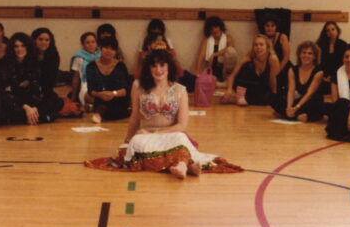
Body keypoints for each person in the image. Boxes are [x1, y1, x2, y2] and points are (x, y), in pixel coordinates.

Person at [87, 50, 240, 179]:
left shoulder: (180, 90)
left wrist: (155, 132)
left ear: (169, 67)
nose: (158, 70)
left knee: (180, 137)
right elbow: (134, 117)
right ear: (148, 68)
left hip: (171, 135)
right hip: (145, 136)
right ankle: (187, 165)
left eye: (162, 65)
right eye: (154, 66)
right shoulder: (138, 86)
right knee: (136, 143)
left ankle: (181, 165)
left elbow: (181, 125)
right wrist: (127, 140)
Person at [0, 32, 62, 125]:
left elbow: (36, 88)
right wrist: (26, 107)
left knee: (56, 101)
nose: (20, 49)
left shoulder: (33, 62)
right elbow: (7, 91)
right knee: (5, 102)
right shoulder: (5, 64)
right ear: (12, 49)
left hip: (31, 100)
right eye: (16, 46)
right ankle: (40, 118)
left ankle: (31, 117)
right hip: (15, 101)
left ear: (28, 47)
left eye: (23, 46)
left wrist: (34, 108)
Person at [221, 34, 279, 106]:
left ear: (267, 47)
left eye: (261, 45)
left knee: (266, 98)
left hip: (263, 89)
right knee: (247, 66)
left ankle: (238, 98)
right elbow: (232, 75)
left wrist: (275, 98)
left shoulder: (272, 59)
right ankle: (239, 96)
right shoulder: (249, 57)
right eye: (256, 45)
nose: (258, 47)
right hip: (249, 87)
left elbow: (275, 82)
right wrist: (229, 90)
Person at [274, 40, 324, 121]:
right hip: (298, 100)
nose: (306, 55)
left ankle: (290, 115)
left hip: (311, 101)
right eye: (304, 52)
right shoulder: (292, 70)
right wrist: (289, 107)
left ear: (315, 56)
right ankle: (293, 114)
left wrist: (296, 107)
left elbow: (309, 94)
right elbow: (291, 91)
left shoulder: (319, 72)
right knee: (274, 99)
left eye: (310, 53)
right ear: (299, 54)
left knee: (317, 106)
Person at [86, 36, 130, 123]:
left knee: (113, 108)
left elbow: (126, 90)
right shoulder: (91, 66)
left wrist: (113, 94)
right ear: (100, 48)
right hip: (100, 98)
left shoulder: (120, 66)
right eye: (106, 47)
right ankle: (98, 113)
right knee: (100, 102)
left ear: (115, 52)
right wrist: (100, 94)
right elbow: (90, 90)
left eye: (112, 49)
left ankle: (99, 113)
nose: (108, 51)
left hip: (118, 99)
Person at [31, 27, 65, 114]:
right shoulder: (29, 54)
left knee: (57, 103)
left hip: (45, 90)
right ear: (34, 40)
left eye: (47, 40)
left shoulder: (53, 55)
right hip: (30, 90)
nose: (43, 42)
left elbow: (50, 81)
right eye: (40, 39)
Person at [194, 16, 237, 82]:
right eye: (211, 28)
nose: (214, 30)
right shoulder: (206, 40)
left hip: (225, 71)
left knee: (231, 52)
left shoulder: (228, 38)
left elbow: (230, 51)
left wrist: (214, 55)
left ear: (221, 27)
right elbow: (201, 55)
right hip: (210, 70)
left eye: (216, 27)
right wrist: (197, 72)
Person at [261, 14, 291, 95]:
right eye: (267, 26)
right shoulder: (262, 38)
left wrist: (277, 70)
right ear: (264, 27)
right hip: (268, 66)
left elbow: (286, 57)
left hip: (283, 65)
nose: (270, 28)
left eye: (272, 26)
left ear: (276, 27)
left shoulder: (282, 37)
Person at [70, 32, 100, 105]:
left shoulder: (101, 55)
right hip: (86, 84)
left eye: (93, 42)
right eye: (87, 42)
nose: (91, 44)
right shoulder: (79, 57)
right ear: (83, 45)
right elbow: (76, 77)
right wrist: (73, 97)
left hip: (101, 83)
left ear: (96, 44)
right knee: (92, 99)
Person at [316, 21, 347, 90]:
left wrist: (333, 78)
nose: (331, 32)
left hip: (338, 76)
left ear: (337, 30)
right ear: (325, 33)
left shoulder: (343, 45)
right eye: (328, 30)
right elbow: (317, 63)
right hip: (322, 76)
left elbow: (343, 64)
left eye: (333, 29)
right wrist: (323, 77)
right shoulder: (320, 45)